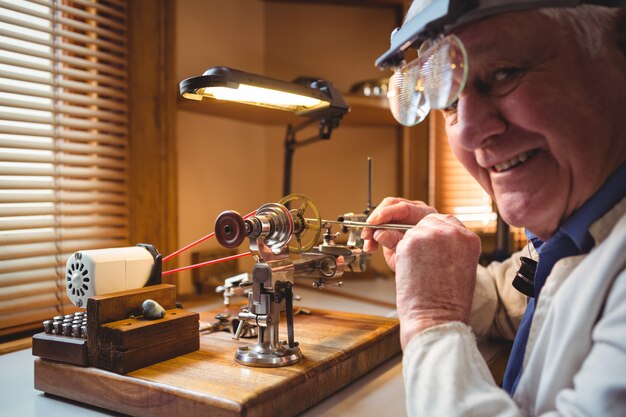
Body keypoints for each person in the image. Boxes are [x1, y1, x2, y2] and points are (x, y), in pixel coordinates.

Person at [364, 0, 626, 415]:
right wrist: (441, 271)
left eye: (504, 73)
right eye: (448, 100)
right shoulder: (577, 233)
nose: (467, 131)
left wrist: (432, 320)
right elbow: (513, 298)